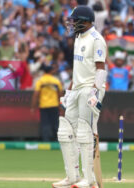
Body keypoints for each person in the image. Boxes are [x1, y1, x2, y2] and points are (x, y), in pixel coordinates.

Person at [52, 6, 107, 188]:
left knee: (85, 133)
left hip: (90, 89)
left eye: (76, 20)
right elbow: (78, 69)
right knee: (65, 131)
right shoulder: (78, 37)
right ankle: (72, 176)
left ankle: (89, 179)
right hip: (76, 88)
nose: (73, 24)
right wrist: (69, 91)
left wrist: (94, 91)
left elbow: (101, 69)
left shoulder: (96, 39)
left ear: (86, 21)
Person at [31, 65, 62, 141]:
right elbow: (60, 94)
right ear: (51, 71)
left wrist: (33, 107)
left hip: (44, 105)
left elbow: (36, 94)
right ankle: (56, 139)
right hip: (54, 105)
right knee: (55, 123)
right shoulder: (56, 81)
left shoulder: (40, 81)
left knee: (45, 123)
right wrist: (60, 105)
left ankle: (46, 139)